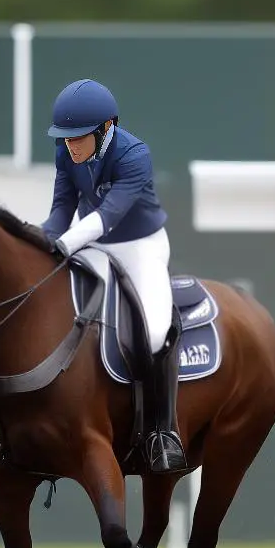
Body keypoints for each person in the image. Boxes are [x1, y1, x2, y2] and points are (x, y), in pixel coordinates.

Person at [41, 78, 187, 472]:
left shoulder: (134, 154)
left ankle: (163, 432)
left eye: (78, 137)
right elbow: (60, 210)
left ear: (106, 128)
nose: (71, 145)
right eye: (65, 138)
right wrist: (39, 243)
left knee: (155, 330)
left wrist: (65, 244)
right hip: (94, 243)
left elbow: (109, 215)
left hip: (140, 244)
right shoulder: (64, 154)